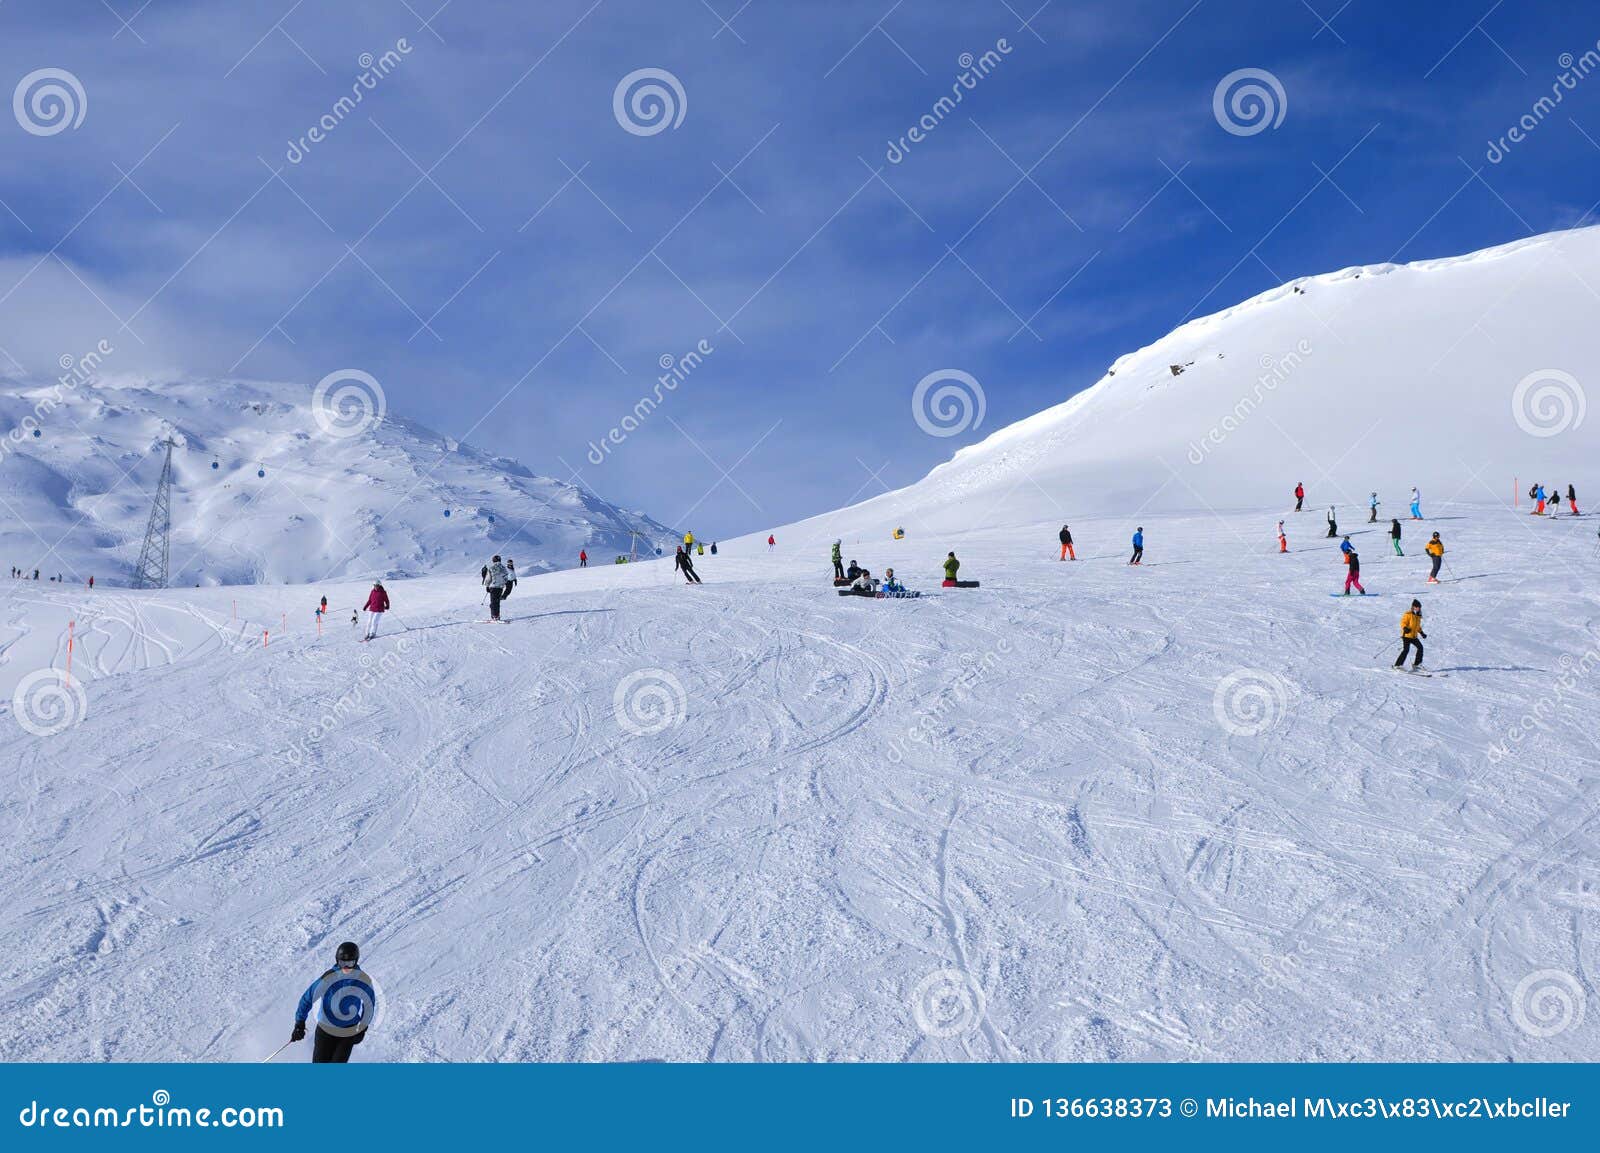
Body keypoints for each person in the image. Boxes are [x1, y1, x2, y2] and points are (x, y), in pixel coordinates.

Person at [291, 941, 375, 1064]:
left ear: (356, 961)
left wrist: (362, 1028)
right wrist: (300, 1023)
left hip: (347, 1032)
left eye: (350, 963)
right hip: (325, 1029)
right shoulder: (328, 978)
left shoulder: (363, 980)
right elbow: (307, 998)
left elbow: (369, 1005)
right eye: (342, 962)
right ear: (337, 960)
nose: (346, 967)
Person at [1394, 600, 1426, 671]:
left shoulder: (1418, 616)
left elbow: (1418, 627)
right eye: (1417, 607)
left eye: (1419, 607)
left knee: (1420, 647)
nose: (1419, 608)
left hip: (1414, 637)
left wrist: (1422, 633)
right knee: (1406, 650)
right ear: (1413, 607)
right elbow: (1403, 622)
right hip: (1407, 636)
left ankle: (1416, 664)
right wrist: (1405, 628)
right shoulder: (1408, 614)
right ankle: (1397, 665)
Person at [483, 555, 510, 621]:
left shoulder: (491, 567)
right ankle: (497, 616)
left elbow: (488, 578)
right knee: (497, 602)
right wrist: (503, 583)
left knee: (493, 602)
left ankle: (494, 616)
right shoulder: (503, 568)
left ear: (493, 560)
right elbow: (506, 577)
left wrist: (487, 586)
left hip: (493, 586)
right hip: (500, 587)